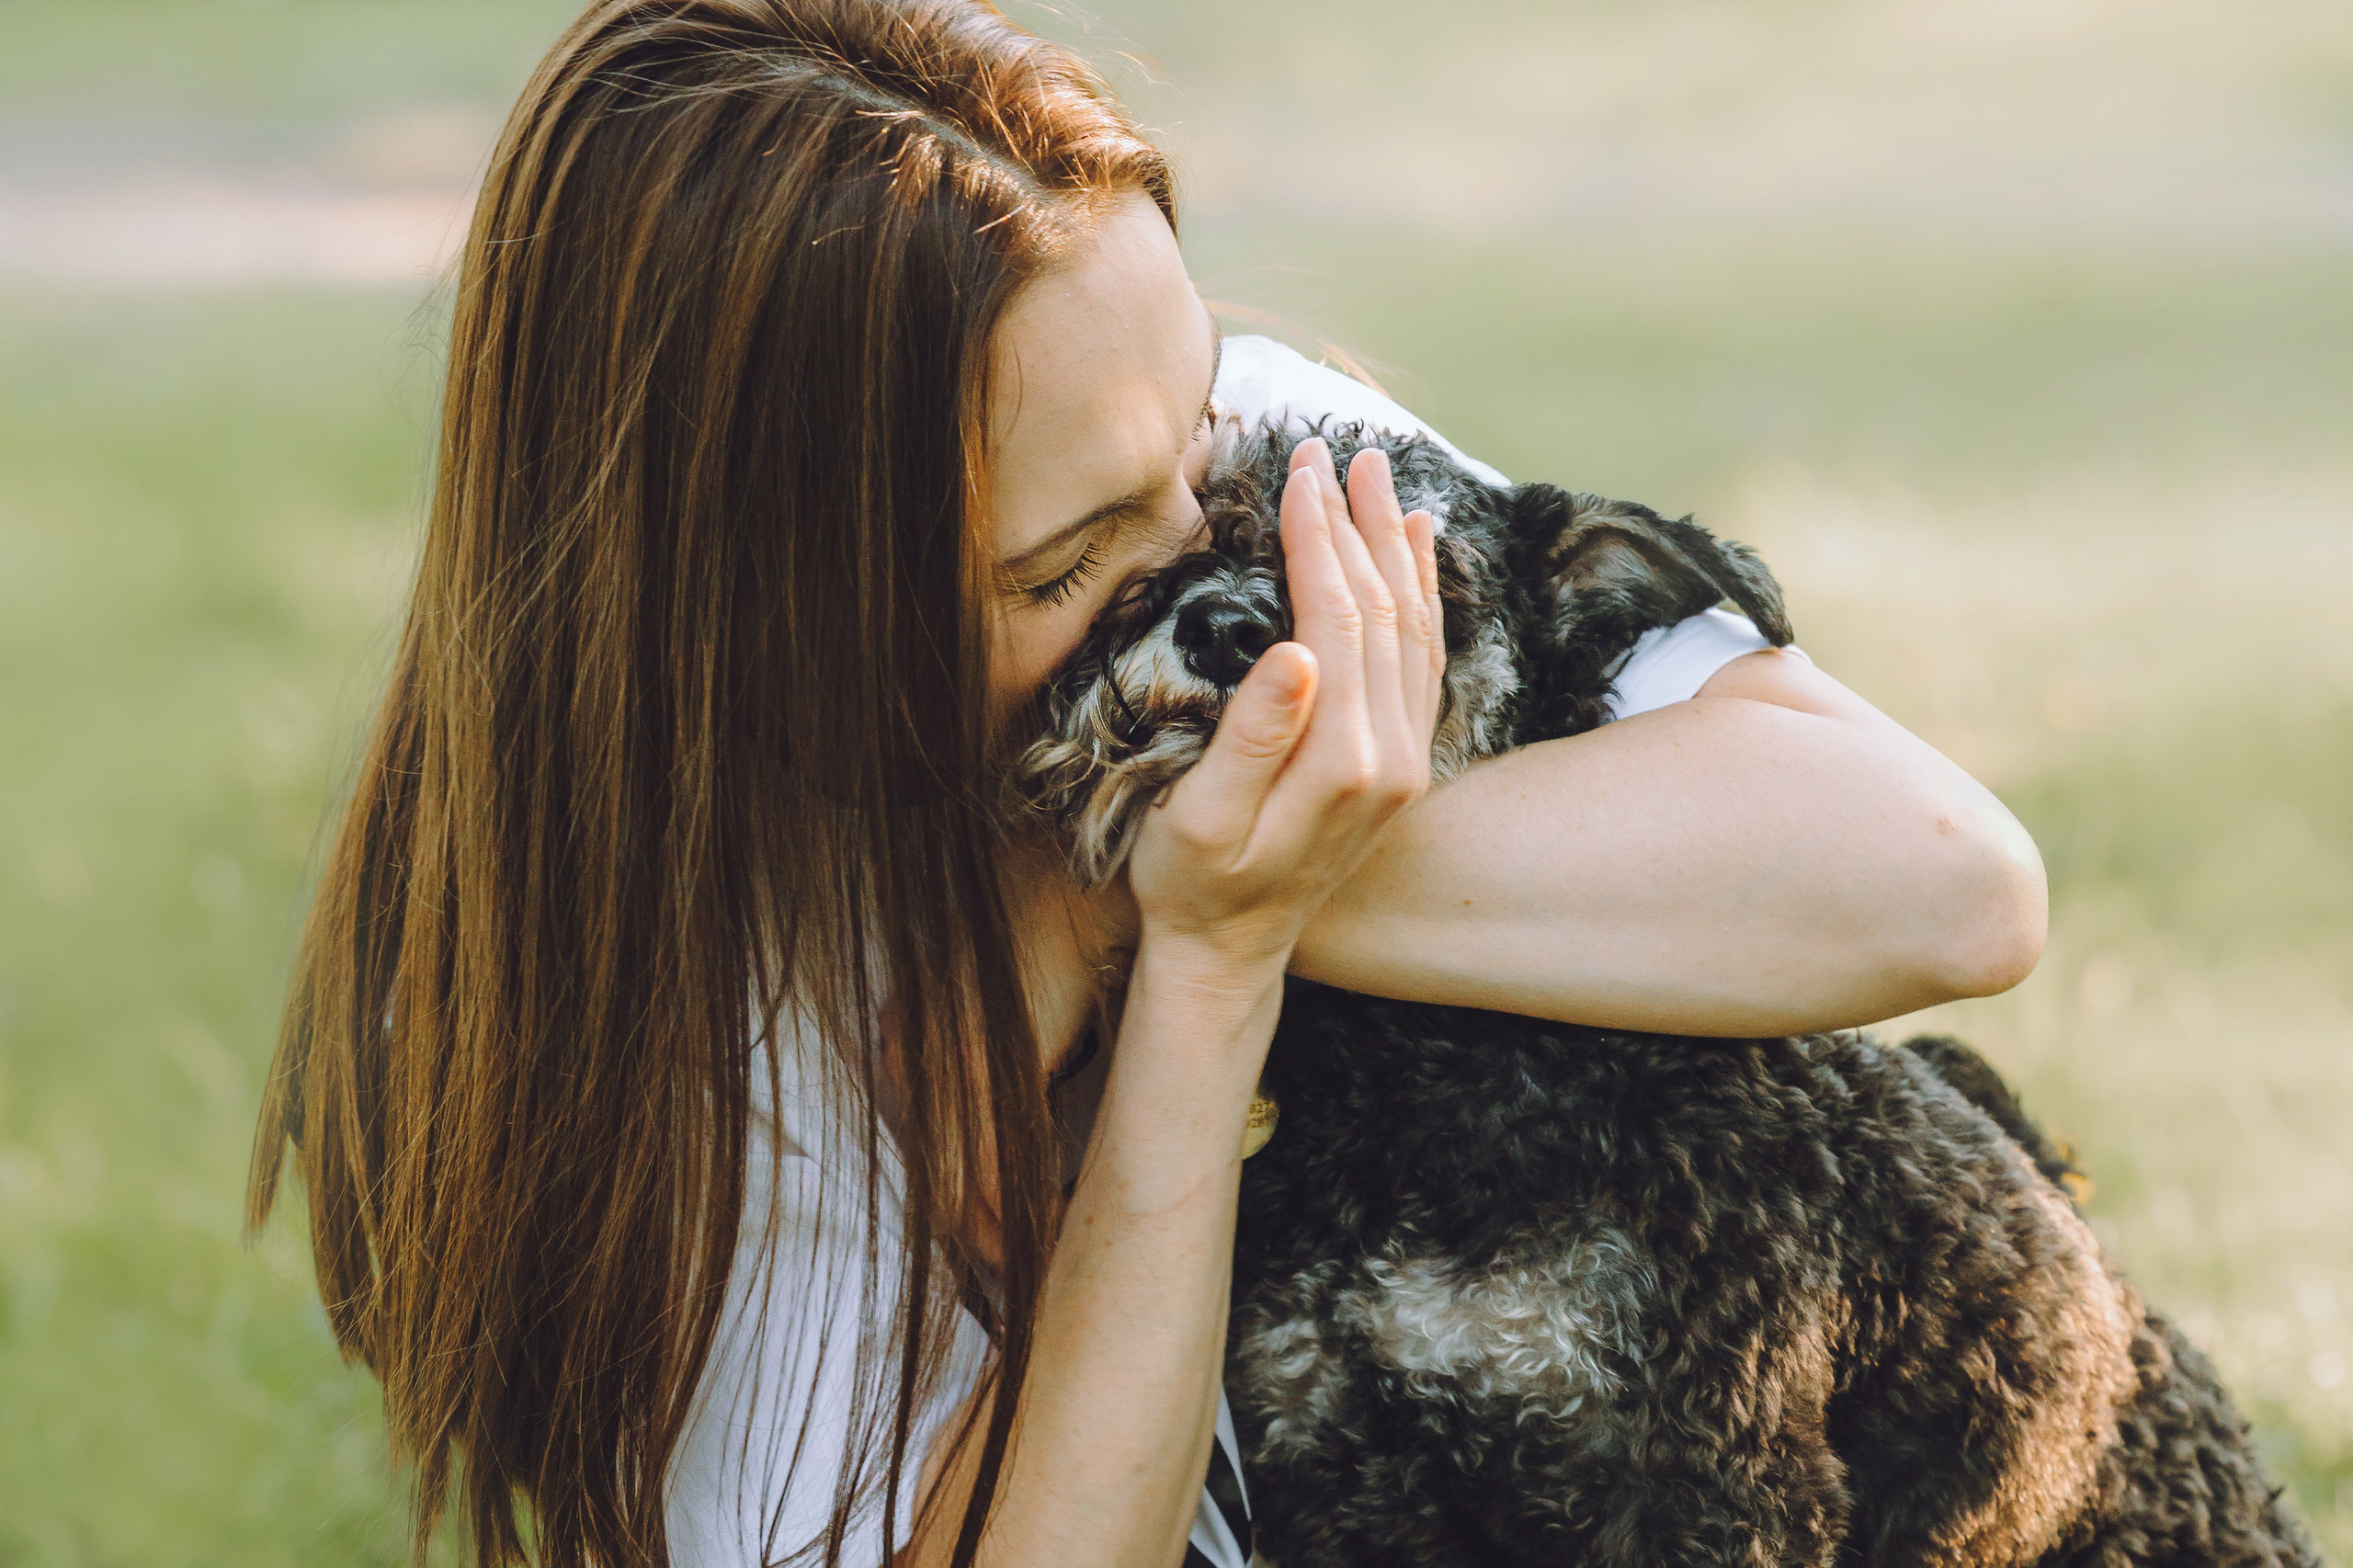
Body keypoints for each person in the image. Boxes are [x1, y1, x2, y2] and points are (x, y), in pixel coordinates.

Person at [244, 4, 2048, 1566]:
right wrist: (1200, 965)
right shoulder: (648, 1006)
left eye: (1192, 443)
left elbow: (1939, 882)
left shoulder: (1161, 434)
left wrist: (1133, 882)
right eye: (1055, 570)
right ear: (754, 622)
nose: (1194, 565)